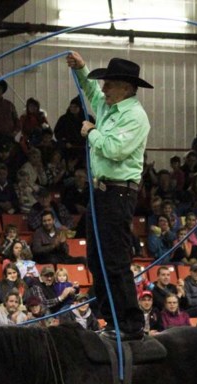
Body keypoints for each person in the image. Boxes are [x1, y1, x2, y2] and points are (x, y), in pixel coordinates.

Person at [67, 52, 152, 339]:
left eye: (109, 84)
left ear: (126, 88)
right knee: (96, 258)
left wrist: (91, 132)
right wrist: (81, 69)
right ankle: (112, 319)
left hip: (118, 193)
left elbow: (115, 150)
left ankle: (130, 324)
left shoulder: (135, 117)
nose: (103, 89)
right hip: (102, 193)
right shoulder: (110, 106)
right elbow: (90, 90)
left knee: (114, 260)